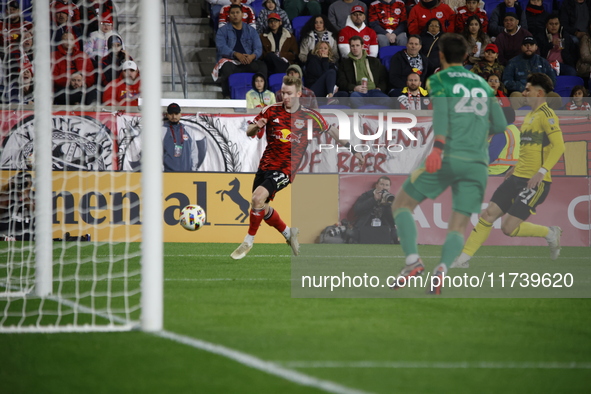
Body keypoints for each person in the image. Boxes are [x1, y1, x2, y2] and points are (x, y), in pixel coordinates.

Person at [390, 33, 506, 295]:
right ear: (466, 57)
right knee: (458, 225)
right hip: (478, 163)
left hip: (449, 156)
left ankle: (413, 262)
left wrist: (438, 148)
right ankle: (442, 268)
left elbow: (441, 114)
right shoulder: (482, 83)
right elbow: (500, 125)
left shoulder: (439, 79)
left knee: (401, 205)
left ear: (441, 56)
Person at [230, 75, 363, 259]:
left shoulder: (310, 116)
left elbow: (333, 132)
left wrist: (354, 150)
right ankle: (288, 233)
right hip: (266, 165)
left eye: (289, 93)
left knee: (257, 197)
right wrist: (257, 126)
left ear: (299, 94)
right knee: (261, 205)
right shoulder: (271, 111)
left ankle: (248, 241)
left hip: (286, 169)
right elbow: (249, 131)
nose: (285, 97)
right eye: (283, 92)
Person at [452, 73, 565, 269]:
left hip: (536, 181)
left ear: (539, 93)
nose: (523, 92)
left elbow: (559, 147)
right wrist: (515, 166)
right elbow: (528, 148)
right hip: (517, 176)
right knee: (487, 215)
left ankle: (550, 232)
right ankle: (463, 259)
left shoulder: (547, 116)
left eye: (528, 89)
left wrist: (541, 171)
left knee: (508, 228)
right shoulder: (529, 116)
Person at [214, 4, 266, 99]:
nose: (235, 15)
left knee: (262, 66)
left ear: (242, 15)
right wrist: (235, 54)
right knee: (226, 67)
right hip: (232, 62)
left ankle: (262, 94)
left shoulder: (251, 30)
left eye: (237, 12)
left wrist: (252, 56)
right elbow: (221, 47)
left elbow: (258, 48)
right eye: (232, 13)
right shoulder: (222, 30)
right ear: (229, 15)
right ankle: (227, 95)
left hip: (248, 61)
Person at [336, 35, 389, 107]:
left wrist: (379, 88)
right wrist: (354, 88)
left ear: (362, 46)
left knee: (388, 100)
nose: (355, 48)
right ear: (350, 47)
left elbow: (384, 78)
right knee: (354, 97)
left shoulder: (374, 61)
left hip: (374, 91)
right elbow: (341, 82)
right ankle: (363, 115)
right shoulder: (344, 63)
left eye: (357, 45)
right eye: (352, 46)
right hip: (357, 92)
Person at [503, 36, 556, 105]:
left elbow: (552, 80)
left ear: (536, 47)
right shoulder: (513, 62)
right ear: (521, 47)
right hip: (522, 93)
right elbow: (507, 81)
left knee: (555, 97)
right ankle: (517, 116)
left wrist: (541, 90)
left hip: (540, 93)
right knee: (515, 96)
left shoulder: (543, 62)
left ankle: (551, 116)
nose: (528, 47)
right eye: (525, 45)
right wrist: (524, 89)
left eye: (531, 45)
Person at [351, 176, 398, 244]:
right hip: (366, 227)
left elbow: (395, 220)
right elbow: (357, 210)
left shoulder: (391, 199)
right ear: (376, 185)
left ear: (389, 187)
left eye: (387, 185)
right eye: (382, 184)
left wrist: (387, 206)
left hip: (384, 229)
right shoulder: (367, 195)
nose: (384, 187)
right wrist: (374, 200)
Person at [162, 103, 207, 172]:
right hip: (168, 174)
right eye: (171, 114)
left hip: (186, 174)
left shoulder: (188, 130)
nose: (174, 116)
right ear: (167, 115)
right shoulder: (161, 131)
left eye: (176, 113)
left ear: (180, 114)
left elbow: (194, 152)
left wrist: (193, 170)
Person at [0, 171, 34, 240]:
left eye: (26, 183)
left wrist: (25, 196)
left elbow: (35, 211)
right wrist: (7, 188)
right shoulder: (8, 194)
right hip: (8, 232)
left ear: (30, 184)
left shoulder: (34, 195)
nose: (22, 185)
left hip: (27, 233)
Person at [488, 106, 520, 175]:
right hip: (512, 169)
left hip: (497, 169)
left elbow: (492, 154)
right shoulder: (515, 130)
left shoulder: (502, 132)